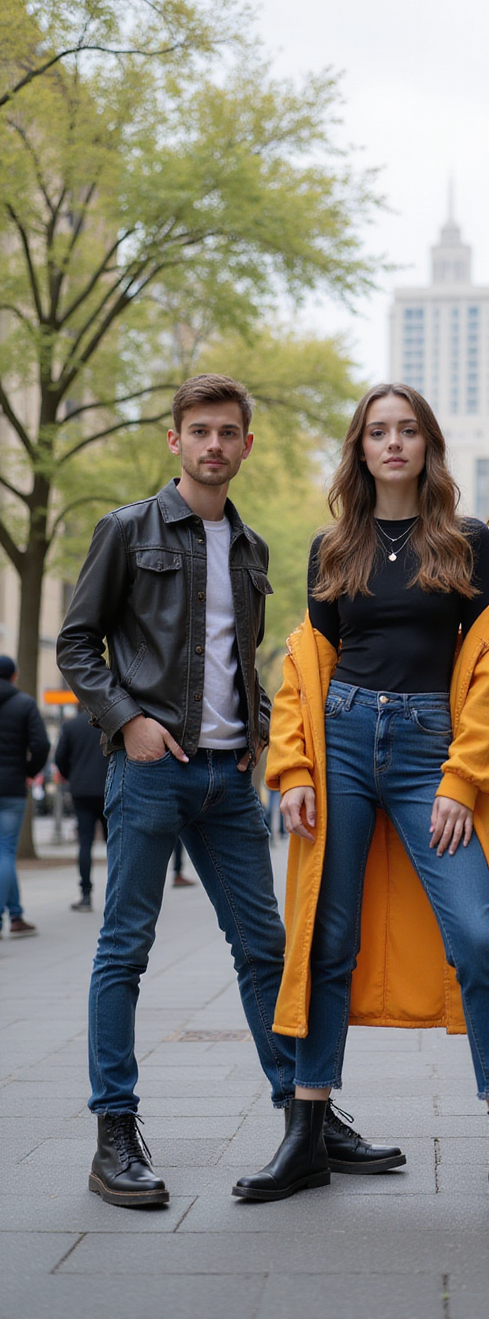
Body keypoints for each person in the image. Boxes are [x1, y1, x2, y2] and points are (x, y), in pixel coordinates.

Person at [57, 372, 398, 1210]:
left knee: (265, 951)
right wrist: (128, 721)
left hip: (228, 780)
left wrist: (257, 737)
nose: (214, 445)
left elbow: (242, 660)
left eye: (228, 432)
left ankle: (304, 1118)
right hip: (150, 771)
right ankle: (113, 1133)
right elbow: (77, 645)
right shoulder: (127, 529)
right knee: (124, 949)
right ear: (175, 440)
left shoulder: (251, 549)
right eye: (200, 431)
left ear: (246, 444)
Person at [233, 383, 489, 1235]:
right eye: (379, 431)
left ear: (427, 445)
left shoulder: (465, 541)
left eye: (408, 430)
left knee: (479, 938)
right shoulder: (333, 546)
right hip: (340, 743)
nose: (394, 443)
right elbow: (308, 663)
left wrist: (462, 779)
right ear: (361, 448)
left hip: (429, 750)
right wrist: (294, 768)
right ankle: (305, 1135)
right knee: (325, 939)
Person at [0, 655, 49, 939]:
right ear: (14, 676)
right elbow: (41, 744)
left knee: (3, 853)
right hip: (11, 788)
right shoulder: (24, 703)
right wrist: (28, 772)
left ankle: (16, 914)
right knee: (6, 851)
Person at [54, 704, 109, 911]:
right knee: (114, 843)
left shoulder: (71, 726)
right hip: (108, 788)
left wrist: (72, 776)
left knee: (85, 842)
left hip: (81, 790)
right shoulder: (110, 723)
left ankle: (86, 894)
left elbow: (60, 758)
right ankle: (119, 894)